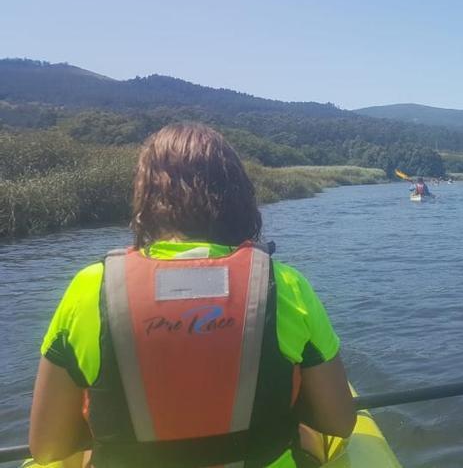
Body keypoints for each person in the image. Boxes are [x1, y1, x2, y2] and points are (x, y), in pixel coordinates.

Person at [29, 123, 355, 468]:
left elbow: (47, 447)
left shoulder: (89, 288)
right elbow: (339, 422)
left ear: (146, 199)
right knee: (308, 435)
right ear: (239, 198)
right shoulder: (285, 284)